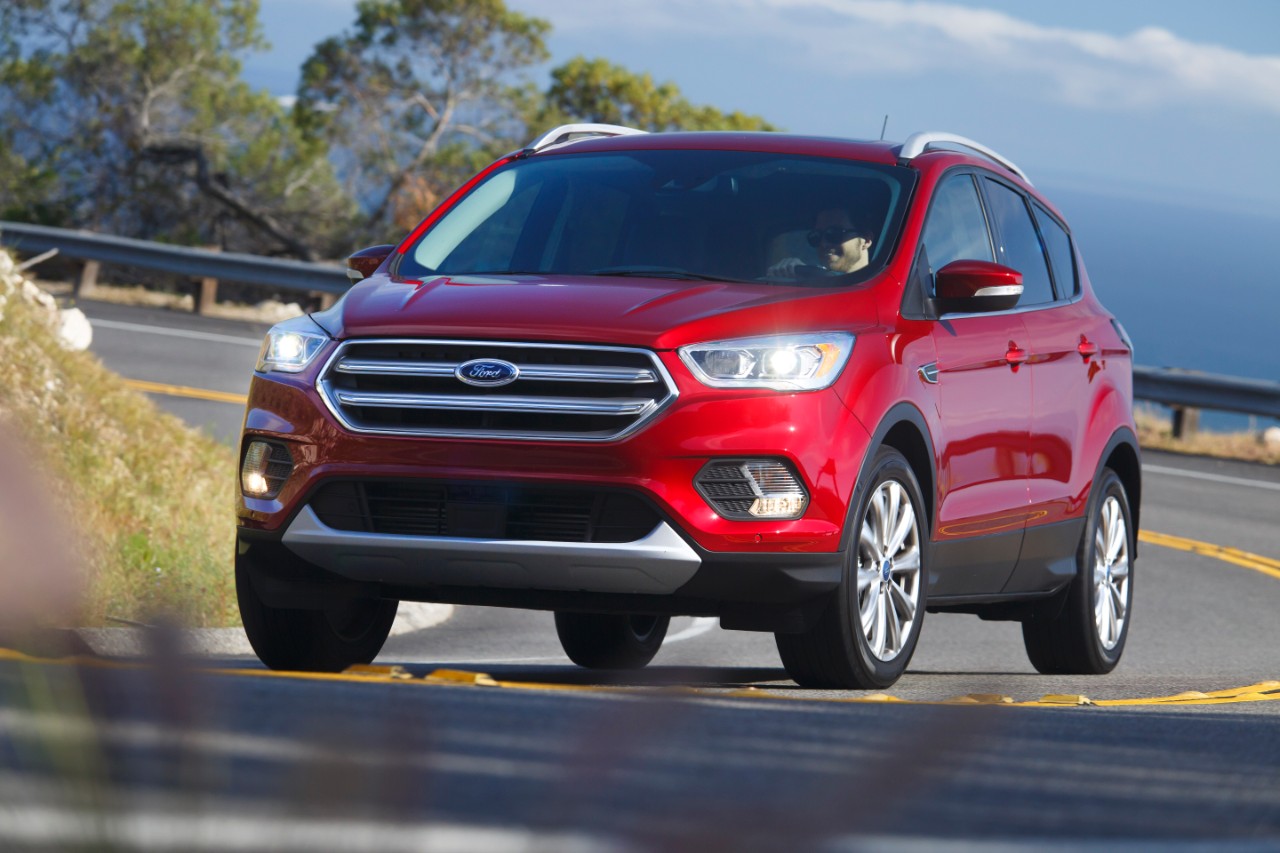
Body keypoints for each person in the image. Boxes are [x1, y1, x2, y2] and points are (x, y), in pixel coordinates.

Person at [767, 208, 874, 278]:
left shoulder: (882, 291)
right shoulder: (808, 291)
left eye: (834, 234)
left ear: (866, 240)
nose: (824, 244)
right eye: (816, 236)